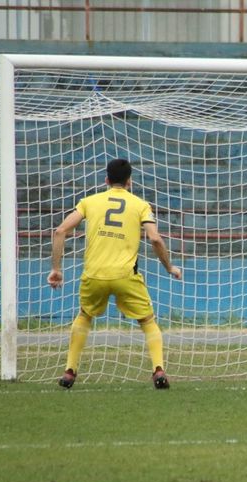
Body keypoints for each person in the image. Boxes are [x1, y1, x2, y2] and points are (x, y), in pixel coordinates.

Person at [48, 158, 183, 389]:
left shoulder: (89, 202)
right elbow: (155, 238)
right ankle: (158, 370)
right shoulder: (140, 205)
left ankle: (70, 371)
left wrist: (57, 269)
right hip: (125, 276)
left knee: (84, 316)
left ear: (107, 180)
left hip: (95, 274)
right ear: (129, 181)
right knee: (147, 321)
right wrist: (169, 267)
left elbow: (60, 230)